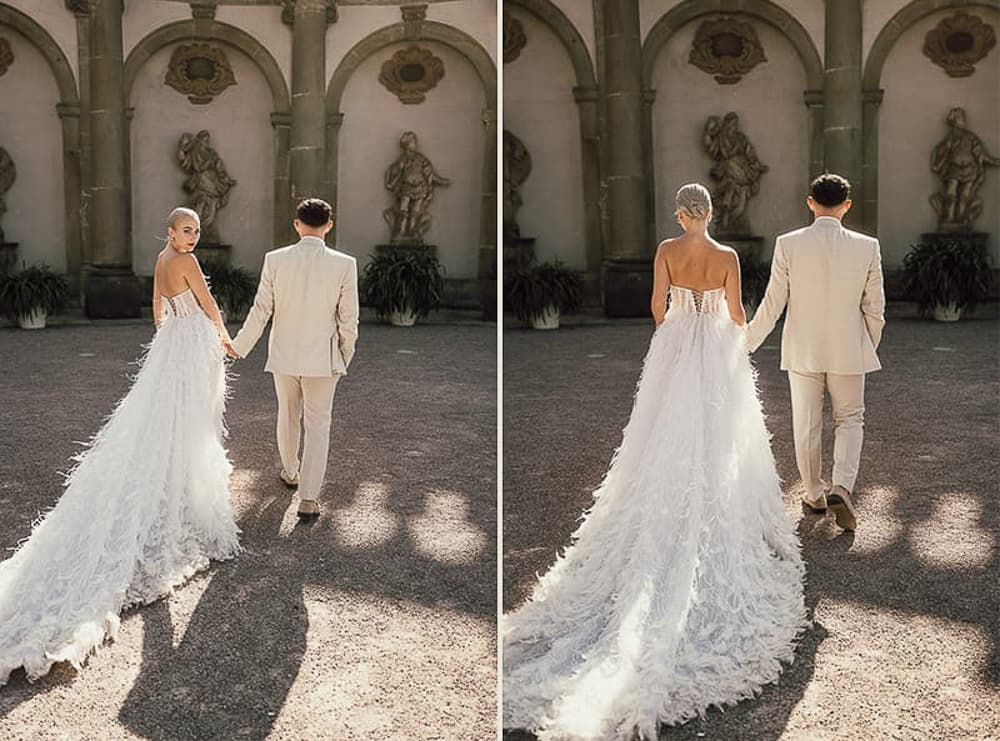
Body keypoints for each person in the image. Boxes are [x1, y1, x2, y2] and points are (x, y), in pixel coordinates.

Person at [503, 184, 807, 741]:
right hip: (714, 344)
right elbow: (738, 311)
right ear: (711, 213)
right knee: (719, 433)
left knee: (660, 430)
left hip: (674, 344)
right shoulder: (727, 256)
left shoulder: (667, 248)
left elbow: (656, 307)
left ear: (678, 212)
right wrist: (722, 329)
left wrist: (676, 332)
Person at [0, 207, 240, 687]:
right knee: (187, 424)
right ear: (170, 231)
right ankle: (182, 492)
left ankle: (175, 483)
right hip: (190, 341)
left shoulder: (161, 258)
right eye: (185, 230)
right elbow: (209, 304)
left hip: (173, 341)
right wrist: (224, 337)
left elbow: (156, 302)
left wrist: (166, 330)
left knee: (164, 421)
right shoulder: (187, 262)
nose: (192, 237)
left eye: (196, 231)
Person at [746, 173, 885, 531]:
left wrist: (743, 345)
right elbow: (875, 309)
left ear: (810, 202)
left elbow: (773, 303)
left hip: (803, 348)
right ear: (847, 205)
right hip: (848, 347)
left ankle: (813, 494)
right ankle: (842, 486)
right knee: (850, 418)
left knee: (806, 423)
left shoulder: (788, 243)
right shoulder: (867, 246)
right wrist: (865, 345)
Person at [227, 198, 359, 518]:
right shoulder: (344, 264)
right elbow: (349, 318)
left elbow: (261, 311)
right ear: (329, 225)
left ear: (297, 224)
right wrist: (345, 354)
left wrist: (238, 345)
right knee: (319, 425)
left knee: (288, 414)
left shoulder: (275, 259)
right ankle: (309, 498)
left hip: (284, 354)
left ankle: (290, 472)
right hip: (324, 358)